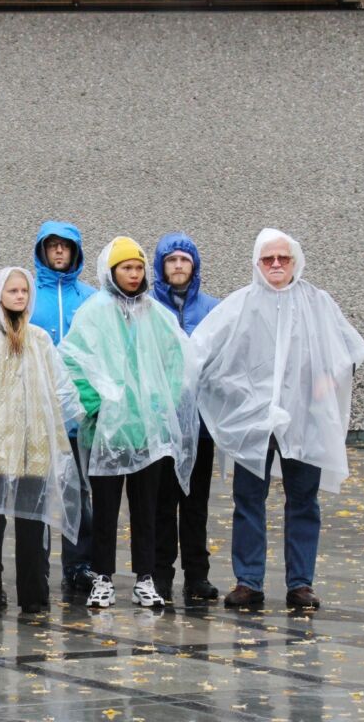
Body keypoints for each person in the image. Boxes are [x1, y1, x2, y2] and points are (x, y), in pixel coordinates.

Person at [192, 229, 364, 610]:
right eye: (268, 259)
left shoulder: (317, 303)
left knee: (304, 500)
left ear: (295, 262)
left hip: (303, 419)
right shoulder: (240, 304)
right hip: (254, 422)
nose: (276, 265)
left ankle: (301, 584)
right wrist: (233, 395)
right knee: (248, 500)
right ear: (257, 262)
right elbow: (204, 351)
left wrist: (327, 381)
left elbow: (347, 350)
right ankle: (248, 581)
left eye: (283, 259)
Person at [59, 237, 198, 609]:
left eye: (138, 268)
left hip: (146, 431)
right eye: (126, 268)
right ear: (111, 271)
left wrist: (158, 402)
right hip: (107, 432)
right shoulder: (94, 311)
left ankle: (145, 578)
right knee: (104, 509)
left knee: (146, 510)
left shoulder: (155, 314)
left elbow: (176, 360)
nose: (134, 275)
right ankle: (102, 577)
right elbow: (72, 360)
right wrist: (96, 405)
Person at [0, 266, 84, 615]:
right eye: (12, 291)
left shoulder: (39, 339)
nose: (19, 296)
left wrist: (78, 416)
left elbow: (58, 384)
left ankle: (34, 596)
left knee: (33, 525)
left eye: (24, 291)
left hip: (34, 447)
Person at [150, 233, 222, 604]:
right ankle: (161, 575)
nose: (178, 266)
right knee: (162, 504)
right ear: (161, 266)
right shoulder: (148, 309)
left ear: (194, 267)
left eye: (185, 260)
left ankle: (197, 576)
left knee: (196, 503)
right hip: (162, 427)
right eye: (171, 260)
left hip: (201, 427)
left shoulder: (213, 309)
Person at [30, 221, 97, 598]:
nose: (59, 252)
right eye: (52, 245)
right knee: (37, 491)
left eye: (65, 247)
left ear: (75, 252)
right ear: (42, 250)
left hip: (77, 416)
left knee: (77, 493)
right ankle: (36, 564)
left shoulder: (89, 298)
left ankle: (78, 564)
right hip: (37, 415)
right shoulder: (28, 294)